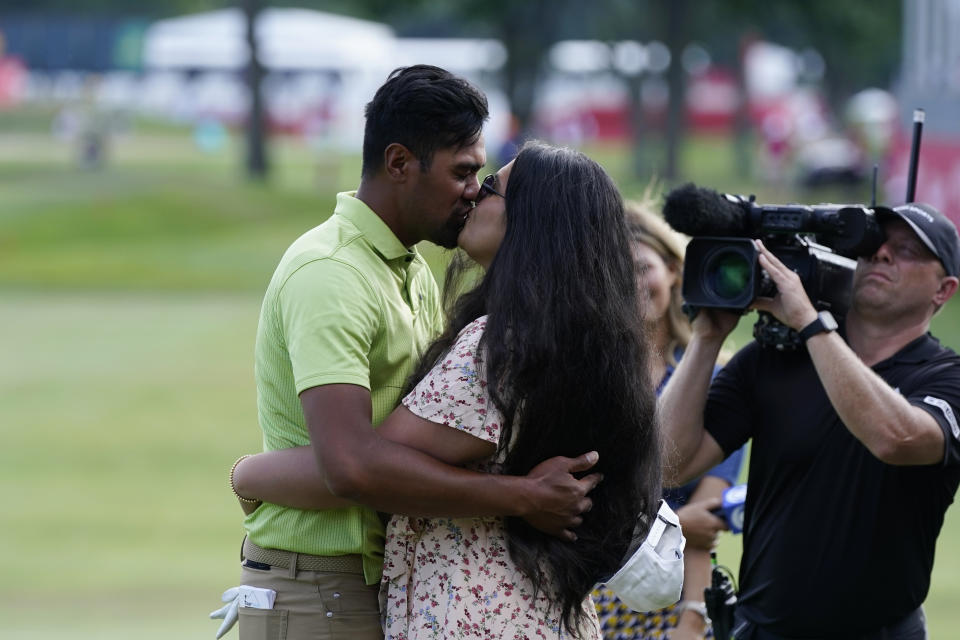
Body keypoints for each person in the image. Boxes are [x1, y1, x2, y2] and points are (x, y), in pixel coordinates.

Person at [225, 67, 603, 640]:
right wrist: (521, 497)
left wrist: (254, 474)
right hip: (320, 586)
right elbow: (351, 465)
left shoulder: (413, 272)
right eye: (463, 172)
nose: (475, 190)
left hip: (377, 586)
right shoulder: (331, 273)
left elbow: (415, 442)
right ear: (400, 164)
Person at [660, 201, 960, 639]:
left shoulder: (944, 377)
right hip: (761, 629)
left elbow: (897, 438)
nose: (881, 255)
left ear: (944, 290)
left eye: (908, 250)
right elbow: (669, 462)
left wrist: (808, 320)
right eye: (873, 245)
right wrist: (707, 338)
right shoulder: (774, 358)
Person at [591, 201, 744, 640]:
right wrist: (679, 520)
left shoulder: (712, 379)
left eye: (642, 268)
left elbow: (706, 521)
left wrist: (693, 619)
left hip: (676, 599)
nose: (632, 284)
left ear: (675, 270)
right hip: (590, 592)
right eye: (617, 271)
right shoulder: (587, 375)